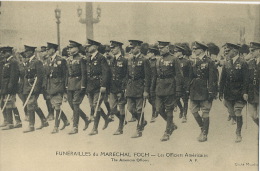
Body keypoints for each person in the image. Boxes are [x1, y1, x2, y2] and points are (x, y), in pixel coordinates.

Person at [219, 43, 249, 143]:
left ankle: (238, 133)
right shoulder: (227, 63)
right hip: (228, 93)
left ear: (235, 51)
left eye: (229, 50)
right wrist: (220, 92)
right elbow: (222, 79)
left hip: (239, 92)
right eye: (226, 49)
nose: (226, 52)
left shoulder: (243, 62)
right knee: (232, 112)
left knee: (237, 111)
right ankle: (234, 119)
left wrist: (245, 92)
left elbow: (246, 80)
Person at [189, 41, 218, 142]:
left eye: (195, 49)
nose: (193, 51)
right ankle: (202, 127)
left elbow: (212, 78)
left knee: (205, 112)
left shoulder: (209, 62)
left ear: (201, 50)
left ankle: (204, 134)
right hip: (194, 90)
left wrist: (211, 92)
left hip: (205, 90)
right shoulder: (194, 61)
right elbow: (191, 76)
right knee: (193, 110)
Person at [155, 41, 182, 141]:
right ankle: (171, 124)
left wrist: (178, 89)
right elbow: (155, 75)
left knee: (169, 110)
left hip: (170, 86)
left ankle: (167, 132)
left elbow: (179, 75)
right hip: (159, 87)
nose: (160, 50)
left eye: (162, 48)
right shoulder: (158, 60)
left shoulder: (174, 59)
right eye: (159, 48)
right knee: (158, 109)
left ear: (167, 48)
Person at [83, 39, 110, 136]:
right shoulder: (89, 58)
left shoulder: (101, 58)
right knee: (92, 106)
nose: (87, 48)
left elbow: (106, 72)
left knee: (96, 105)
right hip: (90, 86)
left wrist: (103, 85)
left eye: (89, 46)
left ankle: (95, 128)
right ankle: (106, 118)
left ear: (95, 47)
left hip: (98, 85)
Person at [126, 40, 151, 138]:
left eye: (133, 48)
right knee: (130, 108)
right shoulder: (129, 59)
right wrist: (126, 87)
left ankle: (139, 129)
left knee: (139, 109)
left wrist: (146, 90)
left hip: (140, 86)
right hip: (131, 86)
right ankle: (143, 121)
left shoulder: (144, 60)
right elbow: (127, 75)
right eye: (131, 48)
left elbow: (148, 77)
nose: (131, 50)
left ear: (138, 48)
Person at [45, 42, 70, 134]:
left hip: (59, 86)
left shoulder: (61, 60)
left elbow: (65, 75)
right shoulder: (48, 60)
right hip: (51, 86)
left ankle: (56, 126)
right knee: (54, 105)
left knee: (57, 106)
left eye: (48, 49)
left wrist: (65, 90)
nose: (47, 51)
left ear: (53, 50)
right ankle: (66, 121)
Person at [22, 45, 49, 133]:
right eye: (25, 51)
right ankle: (44, 121)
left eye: (27, 51)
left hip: (34, 87)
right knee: (34, 105)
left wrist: (37, 88)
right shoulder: (28, 62)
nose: (25, 53)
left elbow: (40, 76)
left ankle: (31, 125)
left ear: (31, 52)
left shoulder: (37, 62)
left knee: (30, 104)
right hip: (28, 86)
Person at [66, 40, 90, 135]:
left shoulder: (81, 59)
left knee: (75, 104)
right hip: (70, 84)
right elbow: (67, 74)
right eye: (69, 48)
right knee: (71, 104)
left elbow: (84, 73)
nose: (70, 49)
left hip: (78, 83)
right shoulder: (69, 59)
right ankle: (85, 118)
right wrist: (66, 85)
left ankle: (75, 127)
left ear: (76, 48)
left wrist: (83, 85)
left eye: (71, 47)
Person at [106, 40, 128, 135]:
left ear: (119, 47)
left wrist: (124, 87)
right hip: (112, 87)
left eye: (113, 47)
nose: (112, 49)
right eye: (111, 48)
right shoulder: (111, 60)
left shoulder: (124, 60)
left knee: (121, 107)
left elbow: (127, 75)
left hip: (120, 87)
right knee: (112, 108)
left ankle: (120, 128)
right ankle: (123, 121)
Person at [0, 46, 21, 130]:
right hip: (5, 86)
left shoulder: (13, 62)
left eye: (4, 52)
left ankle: (10, 123)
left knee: (9, 103)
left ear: (9, 52)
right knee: (10, 103)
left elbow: (14, 76)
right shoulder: (6, 61)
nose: (2, 54)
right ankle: (18, 121)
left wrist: (10, 87)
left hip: (10, 87)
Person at [174, 44, 192, 123]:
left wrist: (188, 85)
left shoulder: (187, 61)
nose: (175, 53)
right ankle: (181, 109)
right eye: (175, 51)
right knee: (176, 99)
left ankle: (185, 115)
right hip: (176, 83)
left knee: (185, 100)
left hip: (184, 83)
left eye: (177, 51)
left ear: (181, 52)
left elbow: (189, 75)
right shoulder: (175, 61)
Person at [247, 42, 259, 128]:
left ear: (259, 51)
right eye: (250, 50)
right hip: (252, 92)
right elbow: (246, 79)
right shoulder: (250, 63)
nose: (251, 52)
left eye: (253, 50)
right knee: (252, 115)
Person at [40, 46, 55, 121]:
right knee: (46, 99)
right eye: (41, 52)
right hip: (44, 83)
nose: (42, 53)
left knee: (50, 99)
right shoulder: (41, 61)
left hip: (49, 82)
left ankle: (52, 114)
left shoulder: (49, 60)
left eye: (44, 51)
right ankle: (49, 113)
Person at [146, 44, 160, 123]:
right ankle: (157, 109)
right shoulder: (148, 61)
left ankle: (153, 114)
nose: (148, 54)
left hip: (155, 82)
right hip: (149, 81)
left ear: (153, 53)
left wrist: (152, 85)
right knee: (149, 99)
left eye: (149, 53)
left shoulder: (156, 62)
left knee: (153, 97)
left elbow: (155, 74)